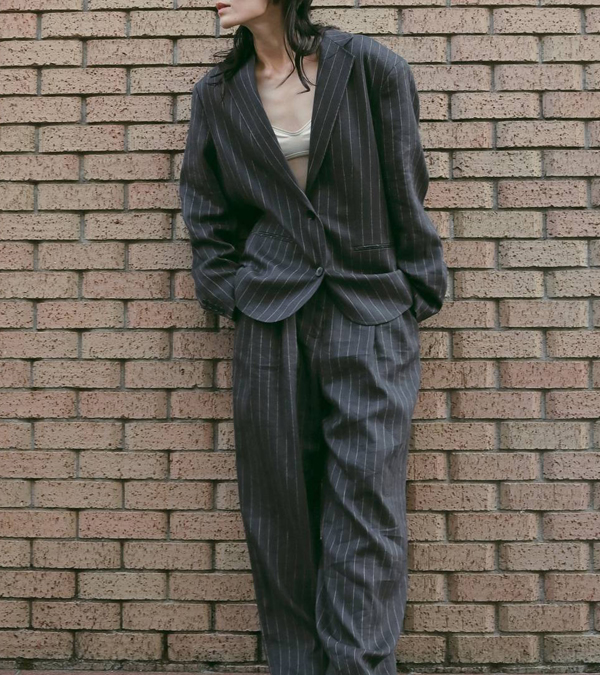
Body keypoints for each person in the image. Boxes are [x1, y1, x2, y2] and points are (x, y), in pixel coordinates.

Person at [178, 1, 448, 673]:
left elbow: (406, 184)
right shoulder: (219, 95)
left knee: (367, 510)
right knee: (280, 515)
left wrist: (413, 293)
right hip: (272, 320)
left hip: (368, 313)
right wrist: (230, 291)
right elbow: (205, 208)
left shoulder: (371, 69)